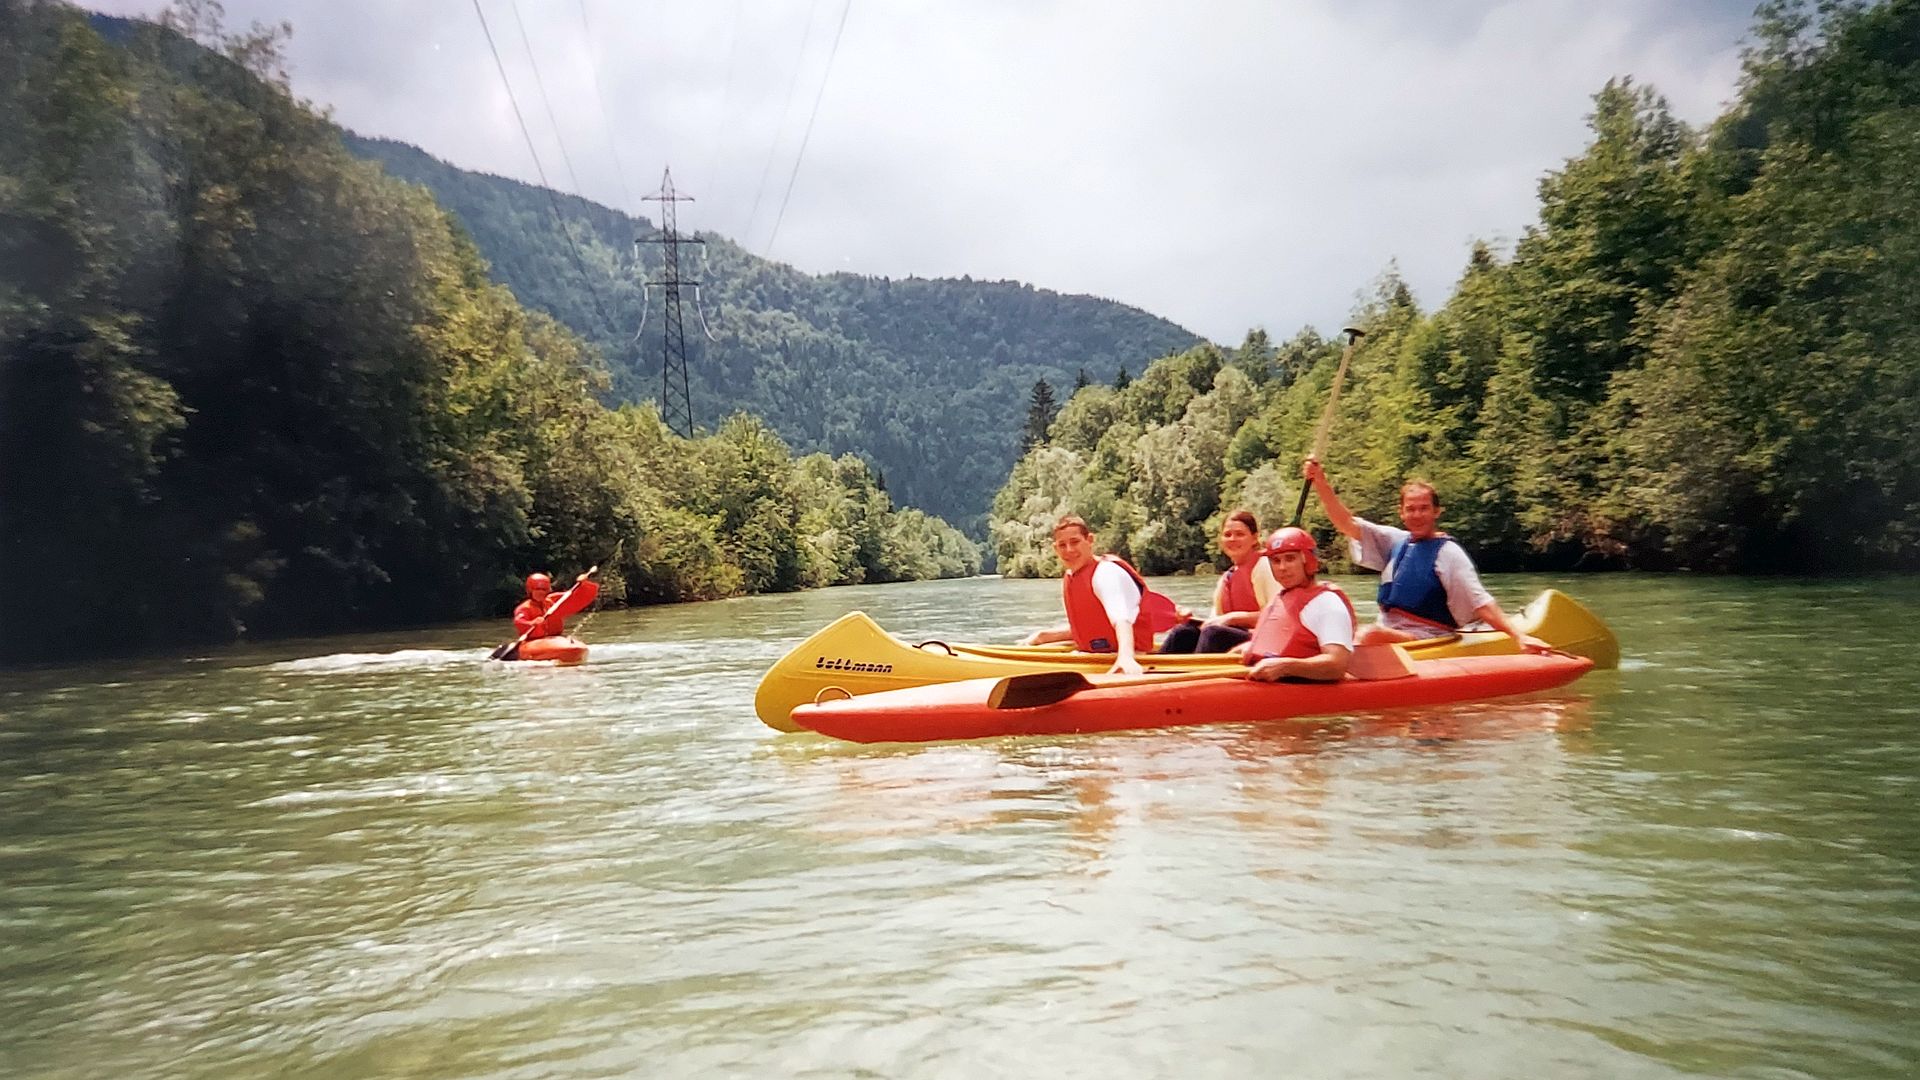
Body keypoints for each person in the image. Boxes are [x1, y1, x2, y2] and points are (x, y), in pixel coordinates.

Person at [1301, 458, 1546, 652]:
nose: (1417, 515)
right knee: (1339, 625)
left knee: (1368, 635)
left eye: (1424, 509)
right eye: (1411, 509)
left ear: (1436, 511)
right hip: (1388, 629)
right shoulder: (1395, 541)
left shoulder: (1449, 554)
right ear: (1402, 513)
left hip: (1428, 636)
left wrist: (1518, 637)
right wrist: (1321, 482)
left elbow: (1481, 603)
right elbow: (1346, 523)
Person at [1022, 515, 1172, 675]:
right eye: (1062, 545)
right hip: (1098, 655)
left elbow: (1122, 620)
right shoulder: (1073, 576)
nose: (1069, 550)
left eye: (1075, 542)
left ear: (1090, 540)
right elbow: (1091, 626)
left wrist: (1126, 657)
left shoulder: (1106, 573)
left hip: (1132, 655)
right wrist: (1043, 637)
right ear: (1055, 548)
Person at [1238, 527, 1356, 682]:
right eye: (1276, 561)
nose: (1282, 568)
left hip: (1304, 689)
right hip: (1267, 682)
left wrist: (1285, 667)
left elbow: (1337, 664)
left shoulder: (1327, 603)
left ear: (1307, 560)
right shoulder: (1279, 599)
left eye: (1290, 558)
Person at [1159, 509, 1278, 654]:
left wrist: (1233, 618)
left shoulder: (1265, 567)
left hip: (1262, 639)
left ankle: (1198, 674)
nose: (1232, 539)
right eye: (1227, 535)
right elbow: (1215, 620)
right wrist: (1188, 619)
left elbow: (1278, 615)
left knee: (1213, 634)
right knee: (1183, 632)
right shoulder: (1227, 578)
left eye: (1240, 534)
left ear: (1254, 538)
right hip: (1227, 635)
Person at [512, 570, 597, 640]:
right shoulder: (524, 608)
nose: (541, 592)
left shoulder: (553, 601)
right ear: (530, 590)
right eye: (537, 589)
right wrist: (533, 623)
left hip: (556, 638)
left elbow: (578, 597)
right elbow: (520, 623)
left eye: (544, 589)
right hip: (534, 641)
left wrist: (583, 584)